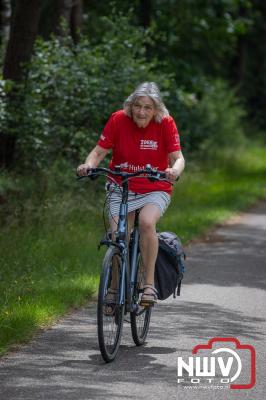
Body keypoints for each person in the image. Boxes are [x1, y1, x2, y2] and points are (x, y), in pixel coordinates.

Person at [77, 82, 185, 305]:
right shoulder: (118, 119)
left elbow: (178, 157)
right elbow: (98, 152)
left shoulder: (165, 123)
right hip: (121, 185)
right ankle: (115, 288)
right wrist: (87, 165)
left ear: (156, 109)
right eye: (137, 105)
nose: (141, 112)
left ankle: (148, 286)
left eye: (147, 107)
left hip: (155, 186)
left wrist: (174, 171)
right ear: (130, 105)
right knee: (118, 235)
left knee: (146, 222)